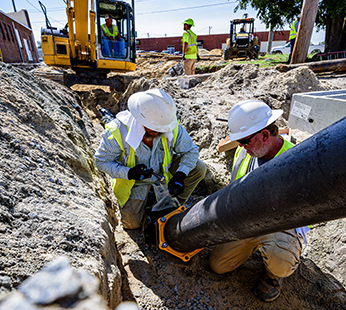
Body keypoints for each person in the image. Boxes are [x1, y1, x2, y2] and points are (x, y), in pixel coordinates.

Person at [209, 100, 310, 302]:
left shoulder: (295, 160)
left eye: (245, 141)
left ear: (265, 135)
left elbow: (302, 211)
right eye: (239, 142)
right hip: (246, 220)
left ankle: (274, 276)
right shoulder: (245, 152)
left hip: (279, 225)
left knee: (280, 260)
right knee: (218, 266)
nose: (241, 146)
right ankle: (255, 246)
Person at [94, 89, 206, 230]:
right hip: (134, 183)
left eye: (159, 129)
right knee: (132, 224)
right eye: (152, 128)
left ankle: (173, 203)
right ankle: (147, 203)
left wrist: (180, 175)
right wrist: (128, 173)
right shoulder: (118, 131)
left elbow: (191, 151)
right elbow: (101, 161)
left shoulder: (168, 125)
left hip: (163, 176)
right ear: (139, 118)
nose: (156, 132)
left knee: (198, 167)